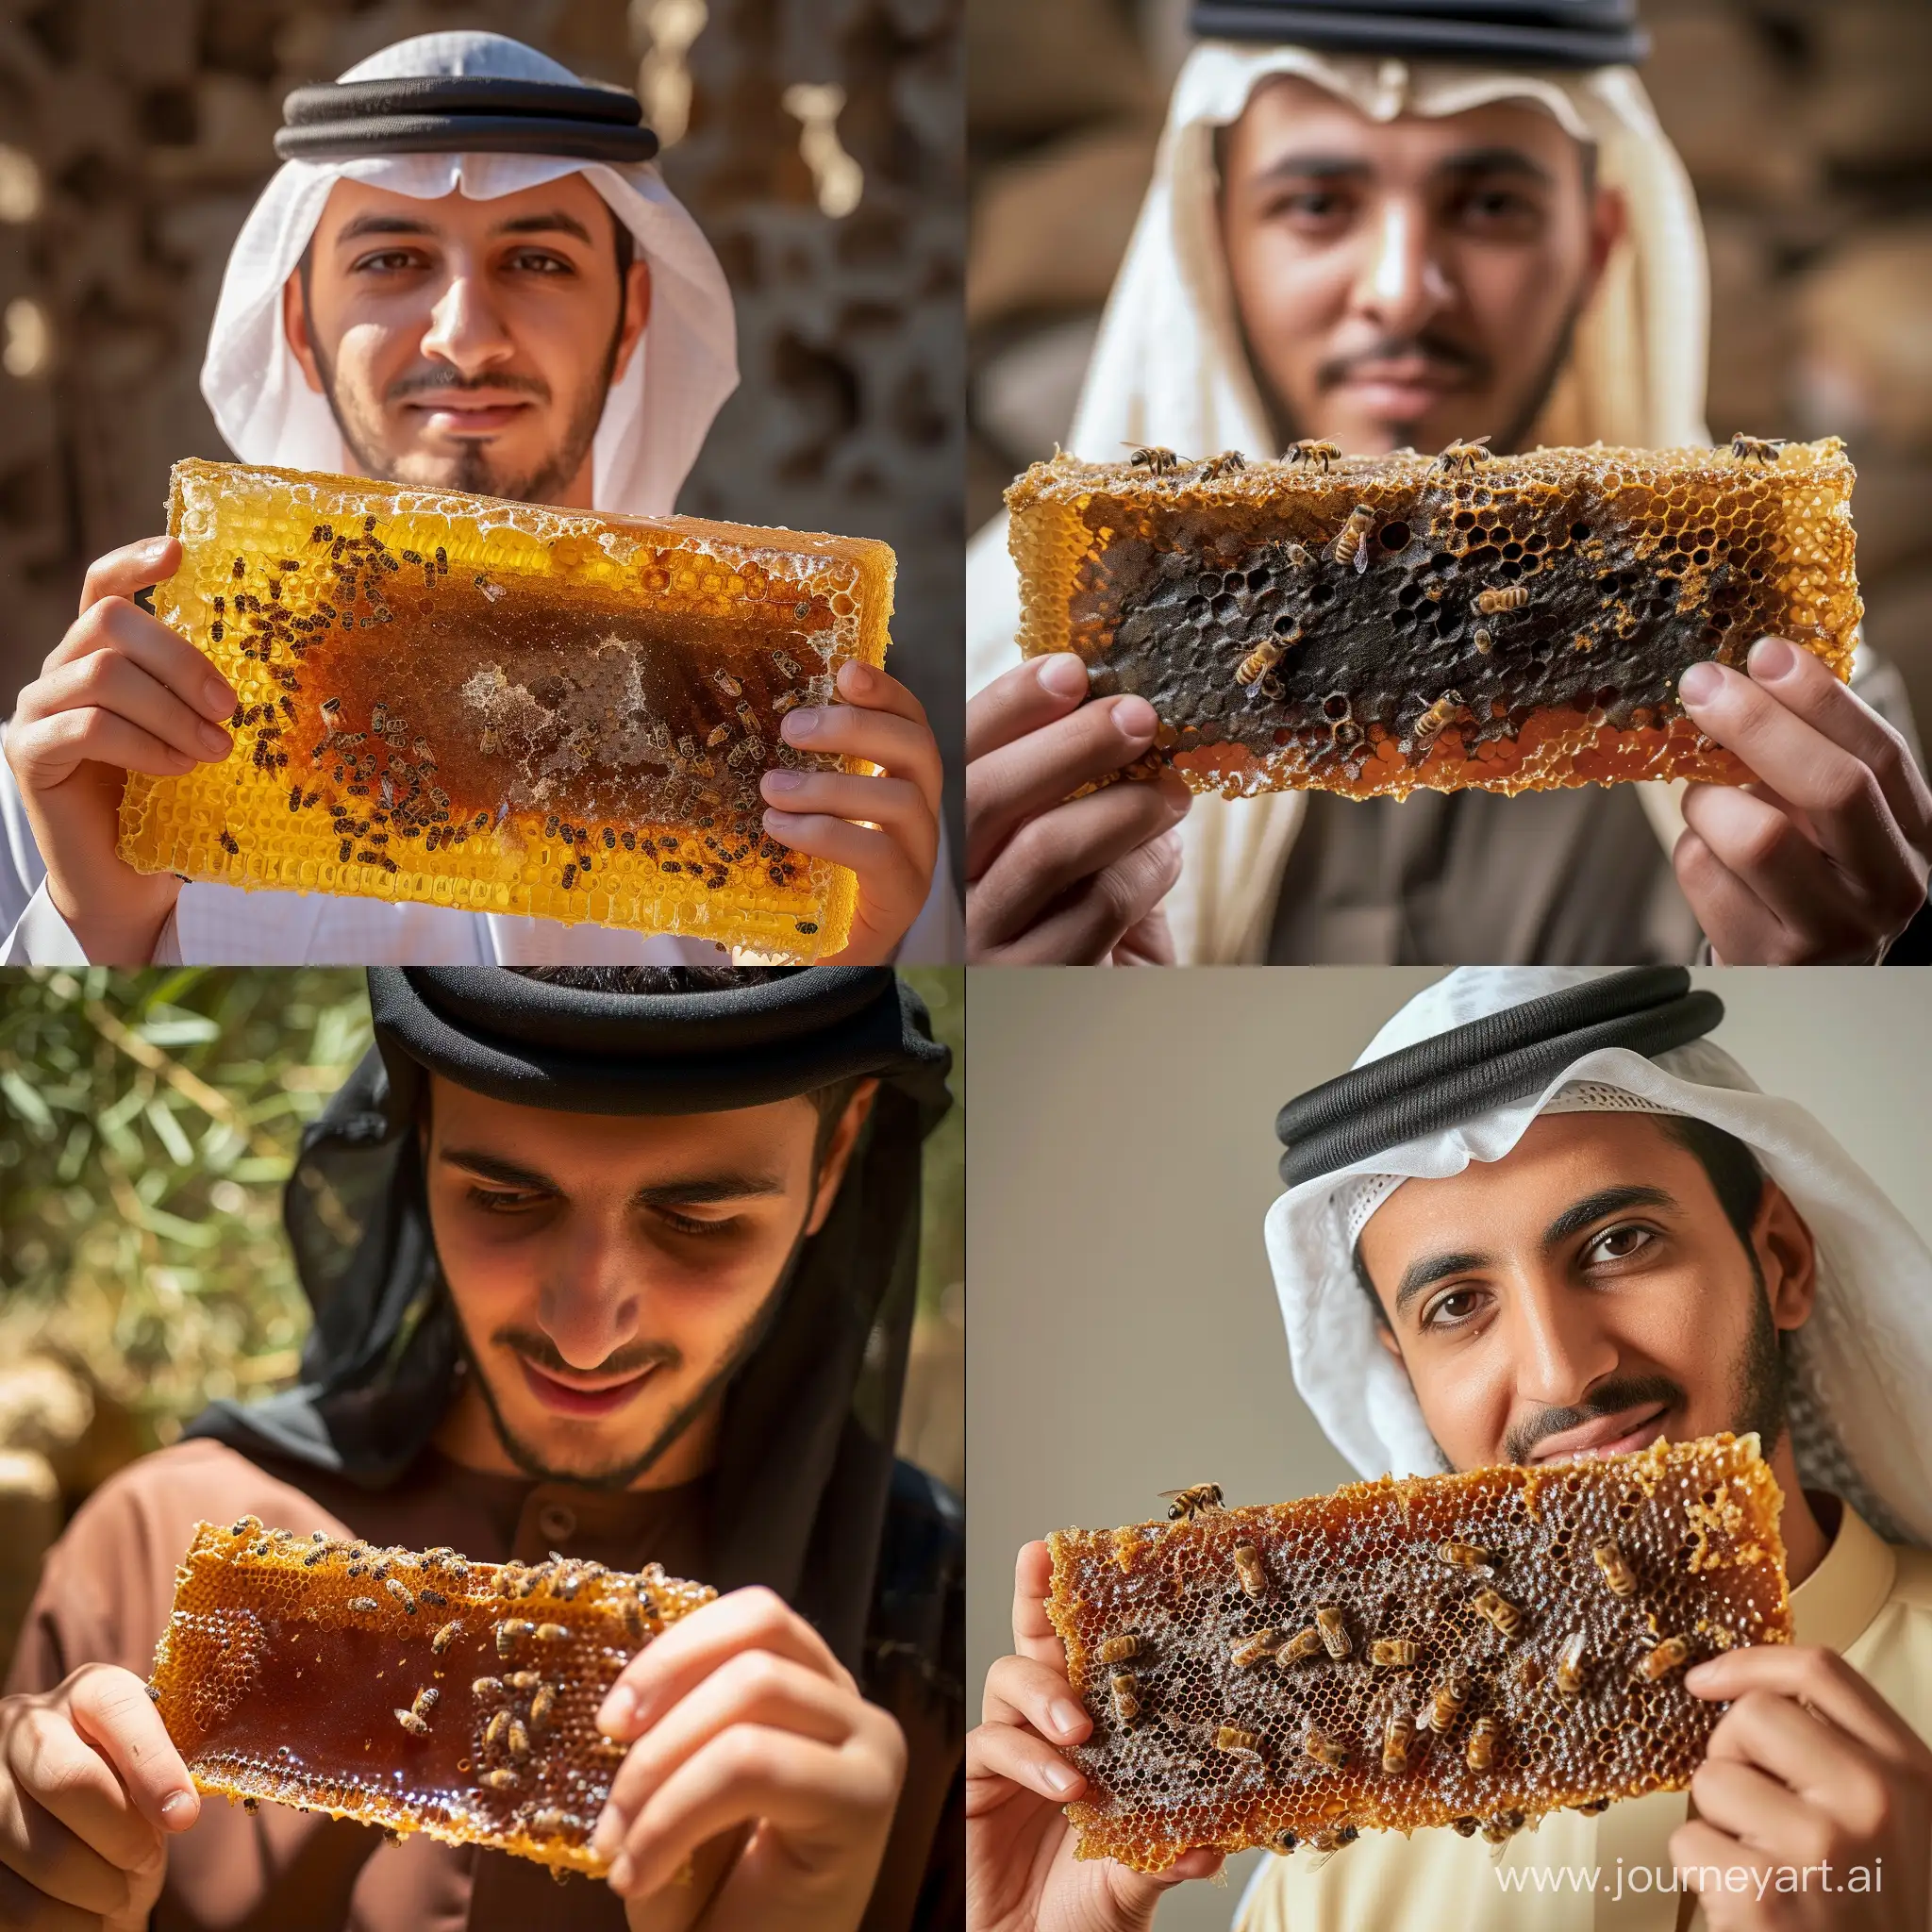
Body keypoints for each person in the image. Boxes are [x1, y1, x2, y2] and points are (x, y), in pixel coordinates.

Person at [964, 0, 1932, 966]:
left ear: (1596, 248)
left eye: (1489, 206)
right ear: (1215, 244)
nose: (1401, 286)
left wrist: (1830, 979)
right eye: (1315, 206)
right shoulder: (980, 670)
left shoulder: (1807, 699)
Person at [3, 965, 963, 1932]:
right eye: (505, 1197)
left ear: (834, 1155)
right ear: (421, 1133)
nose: (585, 1331)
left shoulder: (948, 1641)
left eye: (697, 1220)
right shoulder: (145, 1542)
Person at [971, 966, 1932, 1930]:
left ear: (1781, 1260)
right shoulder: (1333, 1875)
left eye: (1617, 1242)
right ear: (1407, 1377)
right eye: (1458, 1305)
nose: (1561, 1371)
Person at [0, 32, 957, 967]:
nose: (465, 338)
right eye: (391, 260)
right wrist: (96, 931)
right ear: (300, 325)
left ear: (629, 323)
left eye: (537, 261)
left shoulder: (825, 775)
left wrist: (850, 971)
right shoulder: (100, 752)